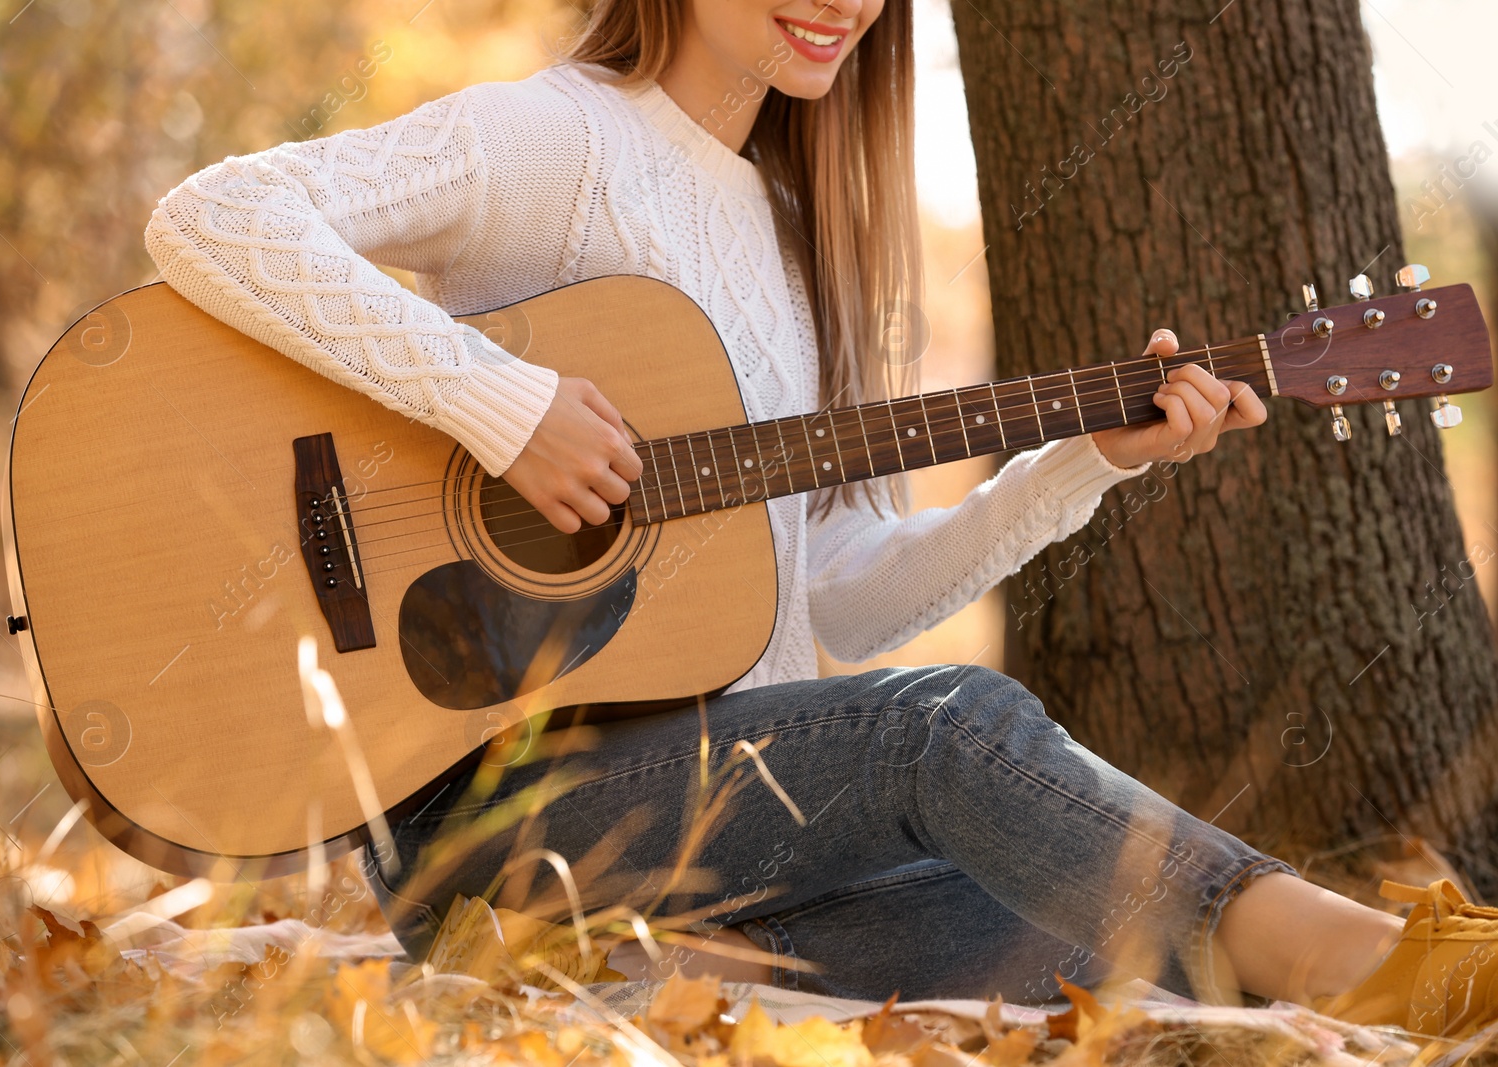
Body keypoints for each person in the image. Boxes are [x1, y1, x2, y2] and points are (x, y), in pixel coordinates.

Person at [143, 0, 1498, 1034]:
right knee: (946, 722)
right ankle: (1356, 956)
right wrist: (499, 407)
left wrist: (1080, 464)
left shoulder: (804, 241)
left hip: (727, 832)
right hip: (488, 821)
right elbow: (219, 215)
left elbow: (840, 596)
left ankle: (1339, 988)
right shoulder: (554, 140)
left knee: (1079, 947)